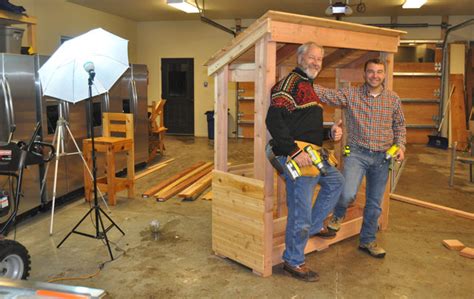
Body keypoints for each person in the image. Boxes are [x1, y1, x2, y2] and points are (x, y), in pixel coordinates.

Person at [265, 42, 344, 282]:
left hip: (310, 150)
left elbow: (305, 128)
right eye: (312, 57)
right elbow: (274, 120)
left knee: (335, 181)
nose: (316, 62)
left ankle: (311, 226)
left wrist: (328, 134)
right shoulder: (288, 85)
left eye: (319, 59)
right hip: (293, 153)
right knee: (301, 209)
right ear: (300, 58)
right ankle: (293, 260)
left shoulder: (309, 87)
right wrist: (292, 151)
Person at [314, 58, 406, 258]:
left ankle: (367, 241)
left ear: (384, 74)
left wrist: (400, 146)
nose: (375, 75)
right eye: (371, 71)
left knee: (374, 204)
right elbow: (326, 95)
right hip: (357, 154)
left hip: (382, 158)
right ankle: (338, 215)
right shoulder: (351, 95)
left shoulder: (393, 99)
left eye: (379, 72)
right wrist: (302, 81)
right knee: (347, 194)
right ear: (364, 75)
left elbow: (399, 126)